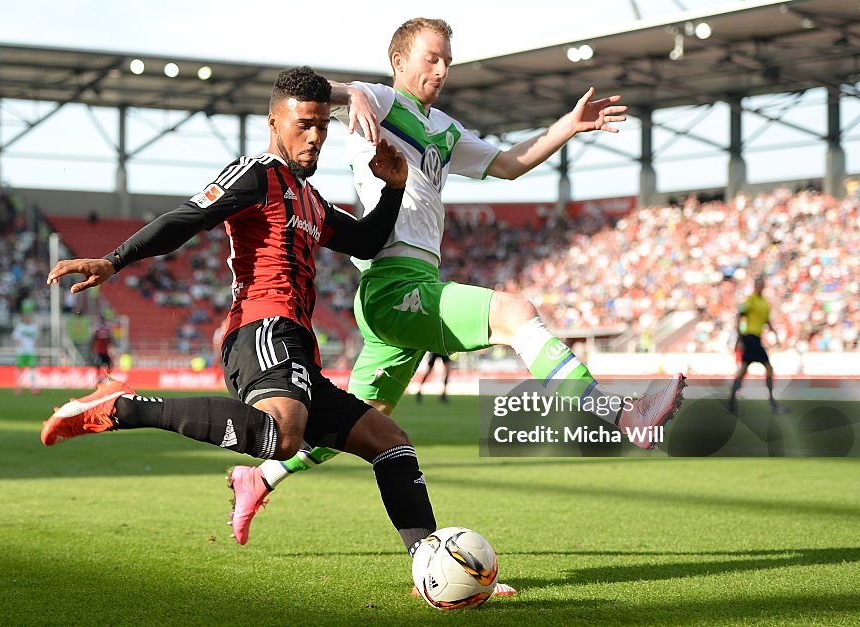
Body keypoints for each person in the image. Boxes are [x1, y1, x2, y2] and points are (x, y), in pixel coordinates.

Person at [231, 18, 686, 548]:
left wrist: (567, 125)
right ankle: (620, 414)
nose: (442, 69)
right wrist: (346, 91)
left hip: (412, 283)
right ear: (399, 62)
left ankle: (260, 477)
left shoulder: (444, 128)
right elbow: (307, 94)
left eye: (447, 59)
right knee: (516, 312)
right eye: (431, 58)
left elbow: (510, 165)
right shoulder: (378, 100)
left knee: (364, 418)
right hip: (390, 281)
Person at [40, 66, 442, 562]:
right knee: (284, 434)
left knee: (391, 442)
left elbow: (365, 239)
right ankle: (122, 407)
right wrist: (114, 259)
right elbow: (187, 218)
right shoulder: (256, 173)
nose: (315, 137)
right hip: (261, 326)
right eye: (303, 125)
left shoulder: (311, 199)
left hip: (297, 343)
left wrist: (395, 188)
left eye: (322, 126)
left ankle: (430, 562)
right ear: (274, 122)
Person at [726, 276, 784, 415]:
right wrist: (740, 336)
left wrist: (774, 333)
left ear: (763, 286)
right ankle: (772, 404)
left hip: (755, 339)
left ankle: (731, 402)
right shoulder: (750, 300)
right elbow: (740, 314)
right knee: (768, 368)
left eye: (761, 284)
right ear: (755, 286)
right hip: (749, 338)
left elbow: (766, 320)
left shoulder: (764, 303)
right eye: (757, 284)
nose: (759, 286)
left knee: (744, 370)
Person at [12, 311, 39, 395]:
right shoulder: (20, 327)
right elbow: (14, 337)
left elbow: (36, 338)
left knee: (32, 369)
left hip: (31, 351)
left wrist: (37, 346)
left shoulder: (34, 327)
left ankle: (33, 387)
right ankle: (18, 387)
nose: (28, 318)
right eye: (26, 317)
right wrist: (18, 344)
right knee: (19, 369)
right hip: (21, 352)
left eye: (29, 317)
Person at [90, 316, 113, 382]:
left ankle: (104, 377)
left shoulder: (99, 330)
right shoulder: (105, 330)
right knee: (102, 365)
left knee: (105, 365)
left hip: (103, 351)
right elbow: (110, 339)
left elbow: (109, 340)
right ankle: (100, 377)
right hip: (100, 351)